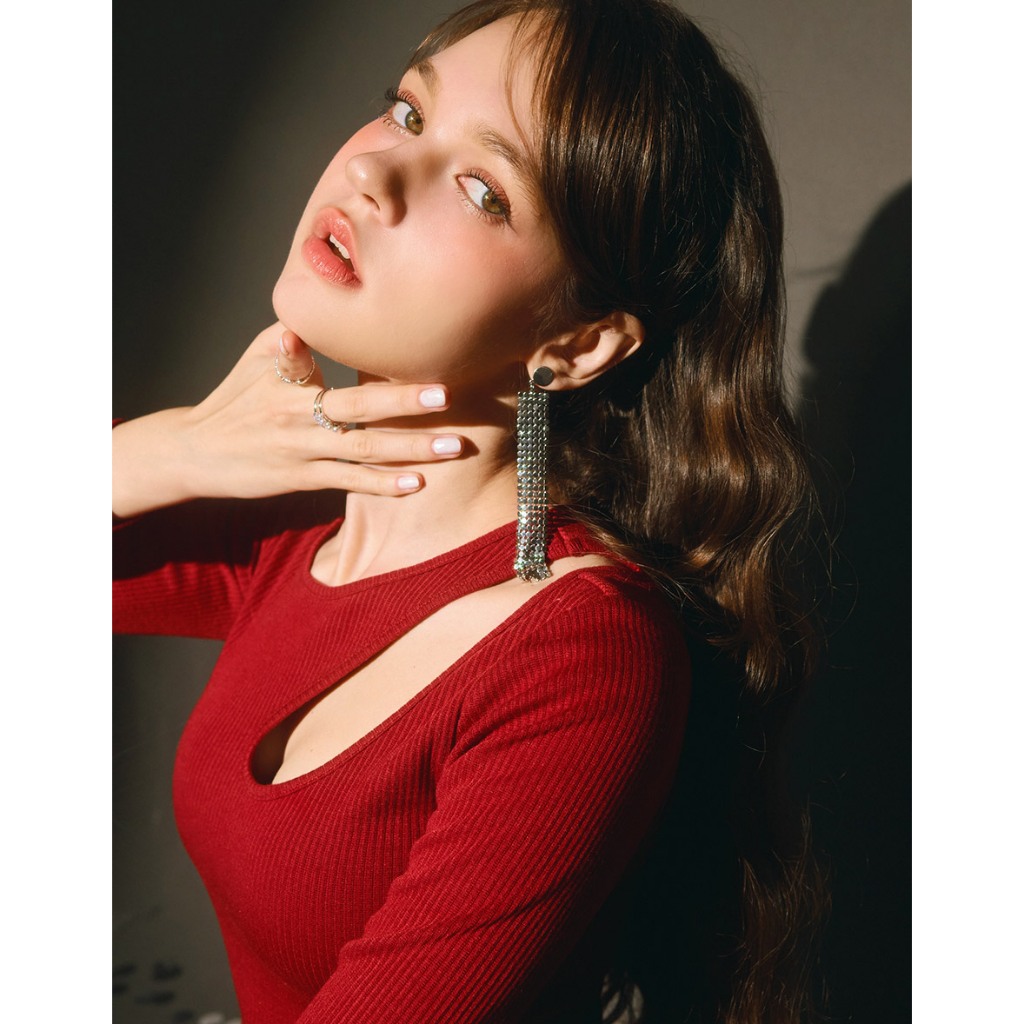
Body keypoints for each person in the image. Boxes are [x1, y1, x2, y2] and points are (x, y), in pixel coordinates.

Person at [113, 1, 824, 1021]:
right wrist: (163, 452)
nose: (373, 170)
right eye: (409, 112)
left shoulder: (581, 655)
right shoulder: (297, 523)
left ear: (576, 345)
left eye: (483, 189)